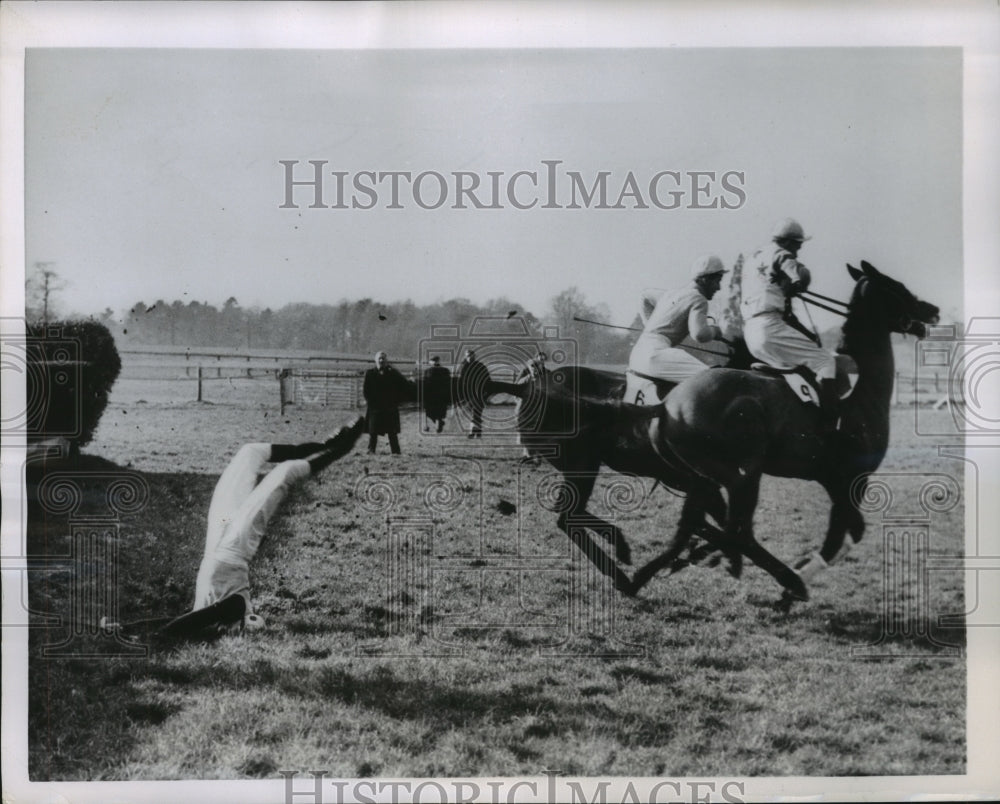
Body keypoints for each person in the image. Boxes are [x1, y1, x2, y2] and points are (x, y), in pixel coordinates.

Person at [170, 415, 365, 637]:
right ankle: (337, 449)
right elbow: (181, 626)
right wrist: (160, 634)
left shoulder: (209, 619)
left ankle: (328, 446)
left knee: (249, 452)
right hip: (235, 548)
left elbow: (178, 624)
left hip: (215, 544)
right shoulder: (235, 607)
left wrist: (138, 630)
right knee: (286, 472)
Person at [741, 217, 839, 429]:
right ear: (786, 242)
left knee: (793, 370)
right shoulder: (781, 253)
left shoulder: (753, 259)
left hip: (751, 331)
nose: (798, 252)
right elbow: (792, 268)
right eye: (797, 246)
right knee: (825, 361)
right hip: (769, 326)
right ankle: (830, 425)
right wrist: (797, 281)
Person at [627, 254, 728, 388]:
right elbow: (699, 335)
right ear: (705, 280)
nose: (719, 288)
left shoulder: (670, 294)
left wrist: (650, 327)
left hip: (637, 356)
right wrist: (715, 331)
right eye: (717, 281)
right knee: (716, 382)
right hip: (657, 356)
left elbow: (644, 296)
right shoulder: (699, 299)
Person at [363, 350, 410, 454]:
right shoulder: (370, 373)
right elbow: (366, 391)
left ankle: (396, 451)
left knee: (392, 432)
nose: (381, 360)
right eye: (379, 358)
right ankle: (371, 450)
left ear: (386, 361)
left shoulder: (393, 373)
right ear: (375, 360)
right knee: (373, 432)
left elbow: (403, 385)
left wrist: (397, 401)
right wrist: (371, 403)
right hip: (375, 407)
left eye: (383, 358)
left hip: (390, 407)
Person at [457, 349, 490, 438]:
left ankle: (473, 432)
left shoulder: (480, 366)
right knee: (475, 413)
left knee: (476, 412)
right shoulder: (463, 367)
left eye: (471, 355)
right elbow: (460, 381)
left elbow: (487, 378)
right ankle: (478, 431)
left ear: (474, 356)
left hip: (479, 392)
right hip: (468, 393)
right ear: (466, 357)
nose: (470, 357)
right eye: (468, 356)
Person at [422, 355, 452, 433]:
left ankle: (438, 425)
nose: (434, 363)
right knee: (436, 412)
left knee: (433, 412)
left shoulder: (428, 371)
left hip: (435, 394)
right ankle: (439, 423)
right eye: (433, 361)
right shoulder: (444, 370)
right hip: (437, 394)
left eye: (435, 361)